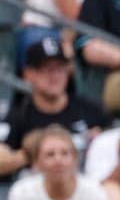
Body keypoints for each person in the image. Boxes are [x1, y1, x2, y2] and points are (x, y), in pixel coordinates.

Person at [0, 37, 111, 178]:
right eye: (46, 69)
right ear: (28, 74)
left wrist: (100, 142)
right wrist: (31, 153)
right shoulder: (18, 117)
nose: (54, 76)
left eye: (60, 68)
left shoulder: (90, 110)